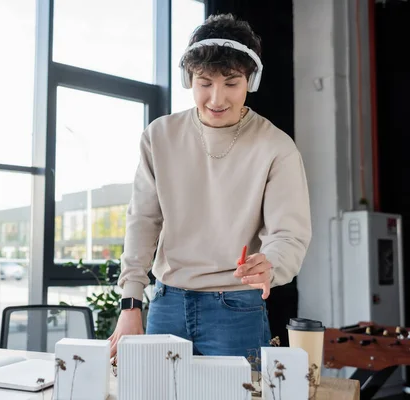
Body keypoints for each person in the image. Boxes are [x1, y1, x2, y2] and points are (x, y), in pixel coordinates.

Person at [108, 13, 312, 359]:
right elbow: (142, 220)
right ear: (189, 79)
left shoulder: (276, 147)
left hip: (236, 307)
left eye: (231, 83)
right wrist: (131, 302)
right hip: (166, 302)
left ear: (252, 80)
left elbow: (288, 235)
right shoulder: (159, 136)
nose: (217, 99)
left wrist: (272, 265)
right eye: (205, 83)